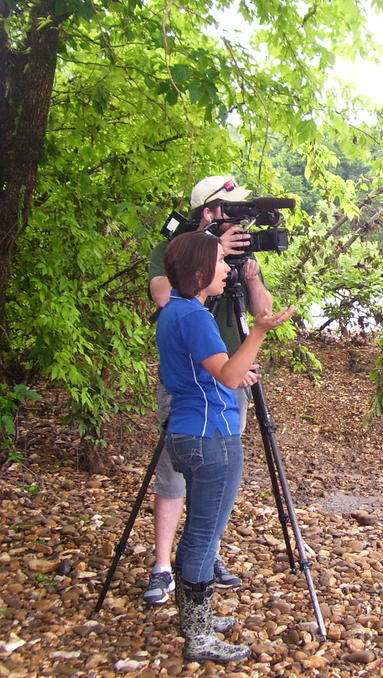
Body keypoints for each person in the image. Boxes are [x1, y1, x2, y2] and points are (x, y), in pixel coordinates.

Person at [156, 230, 293, 662]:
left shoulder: (174, 311)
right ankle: (197, 635)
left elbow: (216, 370)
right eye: (218, 262)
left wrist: (240, 362)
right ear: (198, 271)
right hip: (210, 436)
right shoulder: (196, 317)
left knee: (199, 531)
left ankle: (197, 616)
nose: (225, 269)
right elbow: (230, 379)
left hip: (184, 429)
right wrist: (259, 331)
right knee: (203, 536)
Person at [143, 176, 274, 606]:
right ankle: (164, 566)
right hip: (189, 386)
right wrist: (208, 250)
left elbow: (262, 310)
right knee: (173, 472)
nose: (239, 219)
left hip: (230, 375)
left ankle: (204, 555)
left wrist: (250, 276)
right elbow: (165, 296)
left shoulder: (236, 252)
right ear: (208, 211)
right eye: (229, 210)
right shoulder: (177, 249)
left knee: (218, 472)